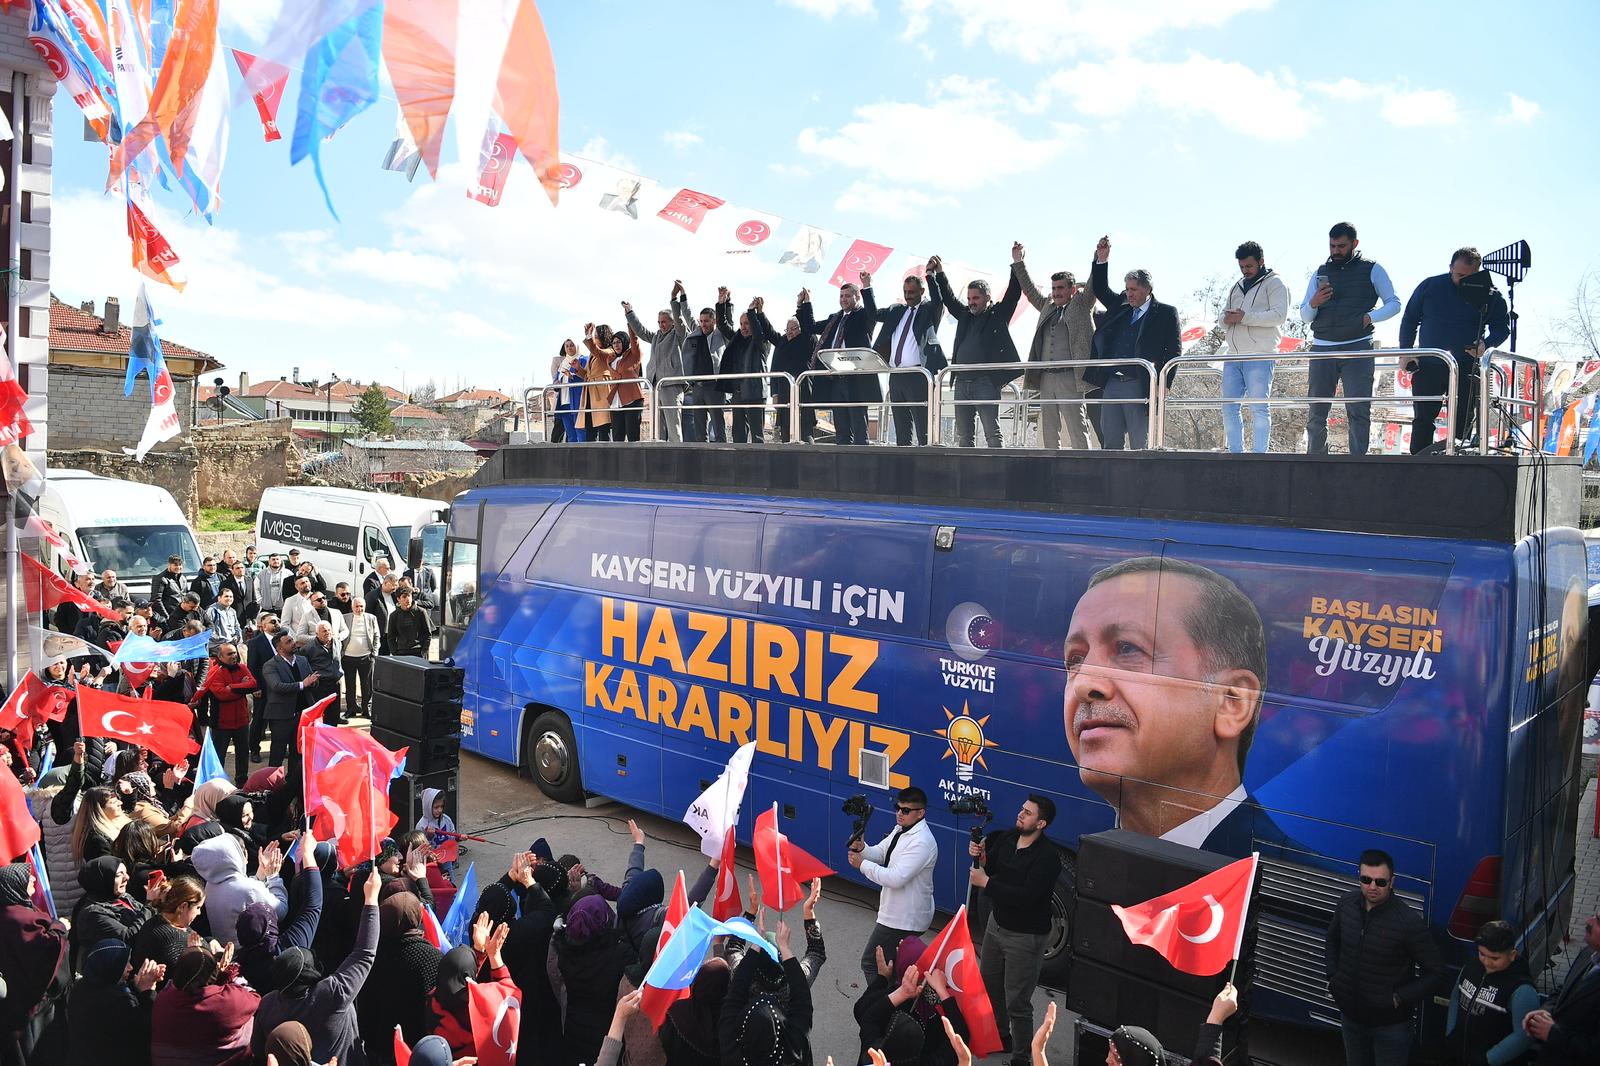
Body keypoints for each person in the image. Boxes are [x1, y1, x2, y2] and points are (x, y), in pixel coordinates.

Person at [1062, 556, 1275, 850]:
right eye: (1075, 659)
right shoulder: (1097, 859)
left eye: (1127, 648)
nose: (1083, 684)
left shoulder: (1283, 876)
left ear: (1232, 702)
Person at [1324, 848, 1446, 1066]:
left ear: (1392, 882)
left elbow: (1436, 972)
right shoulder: (1346, 904)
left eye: (1380, 882)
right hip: (1351, 1019)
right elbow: (1332, 940)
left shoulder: (1407, 922)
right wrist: (1333, 977)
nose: (1372, 887)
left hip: (1391, 1028)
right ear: (1359, 877)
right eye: (1366, 880)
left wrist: (1399, 998)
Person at [251, 868, 380, 1066]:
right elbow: (364, 954)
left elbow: (259, 1051)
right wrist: (371, 900)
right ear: (310, 973)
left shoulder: (268, 1005)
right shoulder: (331, 994)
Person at [970, 796, 1061, 1066]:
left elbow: (1027, 897)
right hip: (996, 925)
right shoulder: (1009, 838)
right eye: (1022, 809)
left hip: (1025, 937)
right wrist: (981, 857)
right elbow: (992, 867)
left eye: (1028, 813)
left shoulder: (1047, 858)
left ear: (1041, 823)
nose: (1021, 814)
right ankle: (1001, 1036)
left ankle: (1022, 1058)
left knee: (1017, 1002)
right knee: (990, 986)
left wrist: (986, 883)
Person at [1300, 221, 1401, 455]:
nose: (1335, 251)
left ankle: (1358, 464)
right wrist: (1314, 302)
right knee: (1316, 412)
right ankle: (1315, 461)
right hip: (1322, 348)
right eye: (1332, 246)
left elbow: (1394, 304)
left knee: (1358, 410)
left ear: (1355, 243)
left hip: (1358, 347)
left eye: (1341, 246)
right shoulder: (1320, 272)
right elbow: (1305, 316)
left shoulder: (1373, 269)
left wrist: (1369, 317)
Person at [1398, 247, 1511, 452]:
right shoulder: (1430, 286)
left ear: (1478, 272)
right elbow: (1410, 319)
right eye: (1459, 275)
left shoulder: (1491, 294)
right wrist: (1405, 351)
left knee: (1462, 419)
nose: (1463, 280)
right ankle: (1418, 460)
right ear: (1450, 267)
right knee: (1423, 417)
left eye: (1469, 276)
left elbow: (1502, 328)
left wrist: (1486, 345)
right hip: (1429, 363)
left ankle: (1458, 460)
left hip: (1466, 365)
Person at [1087, 236, 1182, 450]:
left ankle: (1143, 473)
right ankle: (1112, 473)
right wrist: (1102, 259)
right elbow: (1100, 289)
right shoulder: (1120, 307)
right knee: (1110, 442)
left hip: (1139, 383)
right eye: (1127, 289)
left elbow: (1174, 351)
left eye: (1134, 290)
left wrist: (1164, 384)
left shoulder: (1166, 313)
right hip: (1112, 382)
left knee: (1140, 443)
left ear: (1147, 289)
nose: (1129, 294)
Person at [929, 257, 1024, 449]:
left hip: (985, 382)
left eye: (976, 298)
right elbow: (949, 299)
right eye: (969, 299)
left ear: (988, 297)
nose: (971, 303)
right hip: (962, 382)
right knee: (963, 434)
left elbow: (1014, 293)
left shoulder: (998, 314)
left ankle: (998, 465)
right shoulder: (965, 315)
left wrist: (1017, 262)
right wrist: (939, 273)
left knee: (992, 432)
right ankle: (965, 467)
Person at [848, 785, 938, 984]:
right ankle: (895, 999)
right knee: (895, 968)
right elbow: (881, 853)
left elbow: (896, 878)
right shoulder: (902, 829)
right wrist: (863, 848)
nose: (899, 813)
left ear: (921, 813)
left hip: (903, 919)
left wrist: (862, 864)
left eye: (905, 810)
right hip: (899, 914)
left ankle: (882, 1000)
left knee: (871, 963)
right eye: (897, 808)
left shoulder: (922, 842)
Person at [1014, 242, 1096, 450]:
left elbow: (1094, 285)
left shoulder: (1081, 304)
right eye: (1053, 288)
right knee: (1049, 429)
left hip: (1070, 377)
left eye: (1061, 288)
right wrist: (1019, 261)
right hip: (1046, 378)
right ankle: (1051, 465)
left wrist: (1099, 259)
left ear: (1072, 289)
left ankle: (1085, 463)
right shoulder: (1047, 306)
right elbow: (1029, 291)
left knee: (1077, 426)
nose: (1056, 292)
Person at [1218, 240, 1290, 454]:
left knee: (1259, 407)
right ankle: (1235, 452)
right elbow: (1221, 318)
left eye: (1249, 266)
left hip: (1260, 354)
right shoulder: (1236, 286)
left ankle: (1260, 455)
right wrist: (1226, 319)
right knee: (1228, 406)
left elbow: (1279, 316)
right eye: (1241, 266)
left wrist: (1245, 317)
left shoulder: (1276, 283)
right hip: (1233, 356)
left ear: (1261, 261)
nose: (1245, 270)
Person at [854, 936, 969, 1066]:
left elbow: (866, 1014)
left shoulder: (871, 1055)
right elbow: (960, 1037)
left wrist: (889, 984)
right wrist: (942, 991)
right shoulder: (931, 1060)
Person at [718, 919, 813, 1066]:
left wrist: (758, 942)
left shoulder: (731, 1049)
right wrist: (784, 947)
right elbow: (802, 997)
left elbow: (735, 993)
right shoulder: (793, 1050)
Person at [800, 276, 881, 446]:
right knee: (841, 424)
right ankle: (843, 454)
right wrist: (806, 304)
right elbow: (810, 327)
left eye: (848, 296)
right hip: (836, 377)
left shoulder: (862, 315)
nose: (843, 299)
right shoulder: (835, 318)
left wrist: (867, 286)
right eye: (841, 296)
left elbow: (873, 313)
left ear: (857, 297)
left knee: (858, 423)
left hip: (856, 376)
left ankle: (861, 454)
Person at [0, 862, 69, 1059]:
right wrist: (60, 928)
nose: (33, 879)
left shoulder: (14, 911)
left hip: (14, 1007)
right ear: (14, 885)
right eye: (26, 876)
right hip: (34, 1007)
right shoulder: (20, 919)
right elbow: (48, 949)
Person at [1444, 919, 1537, 1066]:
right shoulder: (1471, 966)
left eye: (1495, 958)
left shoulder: (1522, 989)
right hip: (1459, 1056)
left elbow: (1524, 1035)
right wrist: (1451, 1033)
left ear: (1512, 954)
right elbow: (1456, 997)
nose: (1487, 962)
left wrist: (1488, 1060)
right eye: (1482, 954)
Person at [870, 270, 946, 447]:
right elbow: (872, 314)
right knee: (901, 425)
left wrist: (931, 275)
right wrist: (867, 287)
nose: (908, 296)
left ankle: (926, 458)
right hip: (896, 375)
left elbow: (938, 301)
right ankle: (904, 459)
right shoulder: (896, 310)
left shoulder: (928, 310)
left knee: (922, 424)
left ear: (922, 291)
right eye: (905, 292)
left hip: (918, 375)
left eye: (912, 292)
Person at [150, 944, 260, 1064]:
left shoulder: (163, 998)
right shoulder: (227, 1002)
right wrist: (229, 974)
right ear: (213, 975)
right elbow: (255, 998)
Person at [1522, 905, 1600, 1065]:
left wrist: (1553, 1033)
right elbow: (1562, 991)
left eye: (1598, 922)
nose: (1589, 921)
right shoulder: (1588, 953)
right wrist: (1544, 1012)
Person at [67, 938, 162, 1066]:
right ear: (111, 966)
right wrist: (148, 991)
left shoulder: (83, 987)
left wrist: (135, 986)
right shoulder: (117, 1002)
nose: (131, 968)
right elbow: (145, 1029)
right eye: (125, 963)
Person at [192, 833, 287, 946]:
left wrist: (261, 871)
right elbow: (281, 910)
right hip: (250, 950)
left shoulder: (210, 885)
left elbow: (242, 889)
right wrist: (273, 876)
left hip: (226, 949)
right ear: (234, 856)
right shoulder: (248, 889)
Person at [625, 288, 689, 442]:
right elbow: (640, 331)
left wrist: (674, 299)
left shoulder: (679, 334)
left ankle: (676, 453)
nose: (661, 325)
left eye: (664, 321)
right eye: (659, 322)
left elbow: (680, 321)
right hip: (655, 386)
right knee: (657, 428)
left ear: (672, 322)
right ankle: (660, 453)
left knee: (673, 426)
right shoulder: (656, 336)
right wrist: (629, 313)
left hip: (671, 385)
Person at [753, 303, 822, 443]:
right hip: (785, 394)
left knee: (805, 433)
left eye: (794, 329)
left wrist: (802, 306)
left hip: (803, 393)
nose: (789, 332)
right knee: (785, 432)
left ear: (800, 329)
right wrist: (760, 313)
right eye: (787, 329)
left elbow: (808, 327)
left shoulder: (808, 340)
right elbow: (769, 332)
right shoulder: (782, 342)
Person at [192, 643, 257, 784]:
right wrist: (242, 687)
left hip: (242, 721)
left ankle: (242, 782)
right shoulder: (215, 672)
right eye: (229, 654)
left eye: (234, 653)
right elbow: (222, 695)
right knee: (219, 756)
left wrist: (232, 687)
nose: (234, 656)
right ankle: (217, 784)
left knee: (243, 754)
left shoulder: (242, 668)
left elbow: (253, 684)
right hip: (221, 723)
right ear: (220, 657)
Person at [716, 294, 773, 444]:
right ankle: (739, 458)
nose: (743, 327)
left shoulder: (762, 341)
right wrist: (722, 303)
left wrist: (752, 312)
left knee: (757, 435)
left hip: (755, 392)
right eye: (741, 324)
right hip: (738, 393)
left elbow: (759, 332)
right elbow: (722, 326)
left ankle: (759, 459)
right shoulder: (737, 339)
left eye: (747, 323)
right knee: (738, 435)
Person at [677, 289, 728, 443]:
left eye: (706, 321)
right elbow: (687, 315)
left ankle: (722, 451)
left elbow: (727, 321)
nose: (703, 324)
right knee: (699, 427)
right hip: (697, 387)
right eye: (701, 321)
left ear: (714, 321)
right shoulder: (697, 332)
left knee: (718, 425)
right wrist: (683, 295)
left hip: (714, 387)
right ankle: (701, 453)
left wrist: (724, 302)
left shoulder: (720, 334)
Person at [261, 634, 318, 766]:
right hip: (281, 715)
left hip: (302, 714)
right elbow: (277, 686)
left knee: (298, 751)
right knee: (278, 751)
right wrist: (303, 684)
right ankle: (274, 778)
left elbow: (311, 682)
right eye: (288, 642)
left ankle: (293, 778)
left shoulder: (302, 660)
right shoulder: (270, 665)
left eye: (292, 640)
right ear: (280, 648)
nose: (293, 643)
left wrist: (314, 682)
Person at [299, 622, 345, 725]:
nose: (327, 633)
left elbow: (339, 658)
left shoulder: (337, 643)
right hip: (320, 686)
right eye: (324, 631)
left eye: (329, 630)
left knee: (334, 715)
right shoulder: (309, 648)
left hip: (335, 684)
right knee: (320, 714)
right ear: (317, 634)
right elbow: (302, 664)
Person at [342, 598, 380, 720]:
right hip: (348, 657)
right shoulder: (345, 618)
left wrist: (374, 653)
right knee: (350, 685)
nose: (359, 609)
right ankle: (351, 709)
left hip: (366, 657)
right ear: (352, 607)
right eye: (357, 606)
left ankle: (366, 709)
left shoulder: (371, 618)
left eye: (361, 606)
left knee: (367, 684)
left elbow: (377, 636)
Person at [581, 323, 617, 443]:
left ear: (604, 337)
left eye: (596, 336)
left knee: (603, 427)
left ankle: (605, 452)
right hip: (589, 392)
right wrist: (577, 369)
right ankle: (589, 452)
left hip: (602, 391)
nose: (595, 339)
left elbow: (599, 353)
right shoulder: (593, 354)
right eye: (594, 336)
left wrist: (588, 337)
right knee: (589, 426)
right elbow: (587, 373)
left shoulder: (610, 351)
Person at [609, 327, 646, 442]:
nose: (616, 345)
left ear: (625, 341)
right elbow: (596, 351)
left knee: (632, 436)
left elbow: (634, 340)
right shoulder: (611, 359)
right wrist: (589, 337)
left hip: (632, 399)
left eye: (619, 342)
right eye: (614, 343)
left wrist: (630, 321)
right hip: (616, 402)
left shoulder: (633, 354)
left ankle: (634, 456)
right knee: (617, 437)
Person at [388, 588, 431, 658]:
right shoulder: (394, 615)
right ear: (398, 599)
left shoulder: (421, 612)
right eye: (404, 597)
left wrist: (424, 651)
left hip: (418, 651)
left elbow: (427, 634)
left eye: (409, 596)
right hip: (401, 652)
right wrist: (394, 652)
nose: (407, 599)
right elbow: (391, 637)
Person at [154, 555, 187, 631]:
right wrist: (167, 616)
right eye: (175, 565)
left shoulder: (183, 578)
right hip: (169, 617)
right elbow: (156, 600)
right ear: (169, 565)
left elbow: (185, 596)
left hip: (182, 617)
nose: (178, 567)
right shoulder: (160, 578)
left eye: (180, 565)